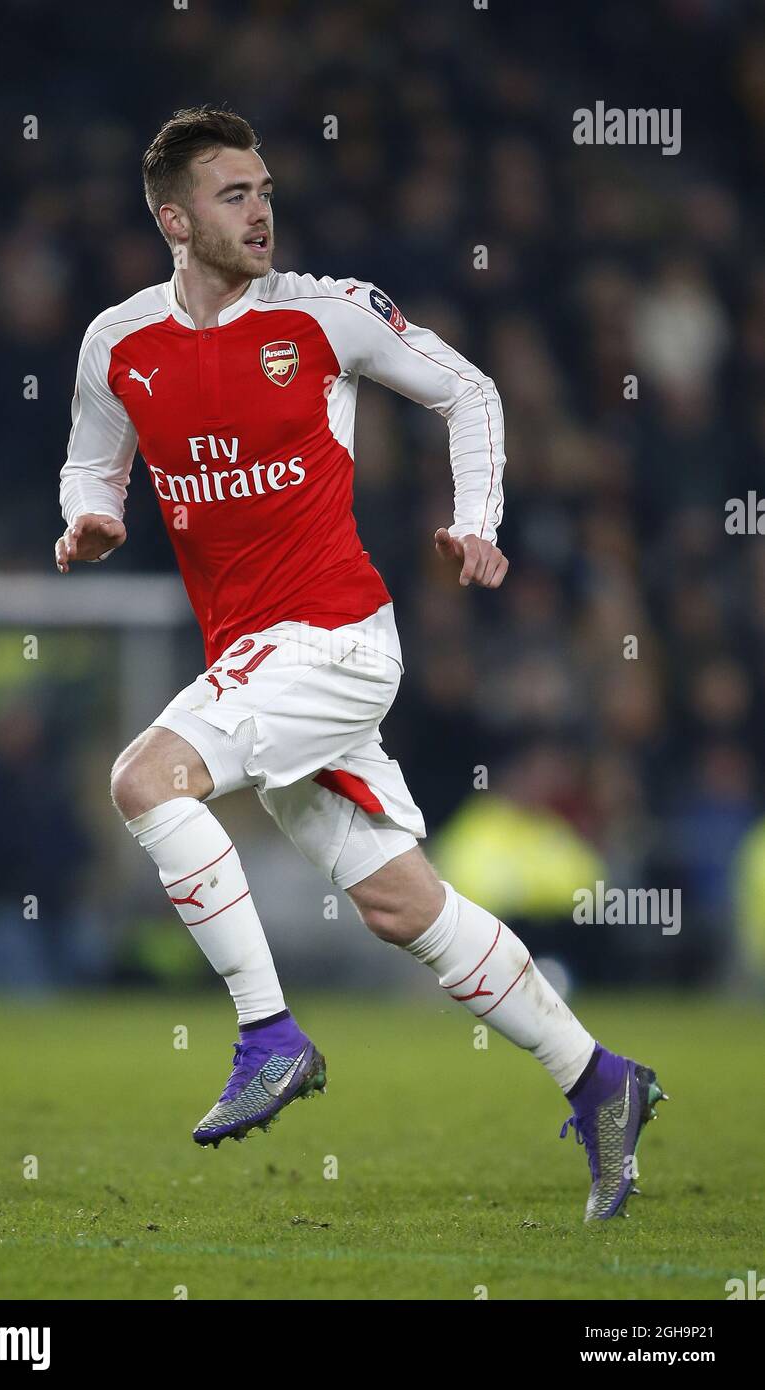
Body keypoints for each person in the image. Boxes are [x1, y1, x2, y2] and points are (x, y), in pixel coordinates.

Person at [55, 106, 666, 1220]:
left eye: (265, 188)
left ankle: (266, 1033)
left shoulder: (325, 316)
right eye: (233, 194)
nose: (260, 210)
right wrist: (90, 516)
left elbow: (467, 391)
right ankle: (601, 1078)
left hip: (332, 639)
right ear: (172, 217)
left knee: (143, 778)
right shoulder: (118, 344)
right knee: (398, 903)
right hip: (257, 659)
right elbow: (91, 467)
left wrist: (476, 518)